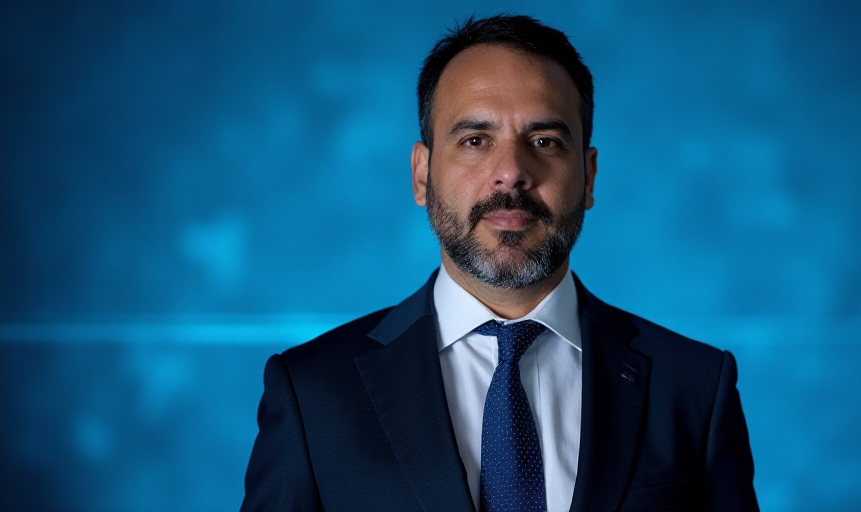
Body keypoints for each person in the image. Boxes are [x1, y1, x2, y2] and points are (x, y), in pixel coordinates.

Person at [241, 14, 757, 512]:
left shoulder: (693, 388)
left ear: (590, 175)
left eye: (544, 142)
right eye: (475, 141)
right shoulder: (313, 395)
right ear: (422, 175)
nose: (510, 173)